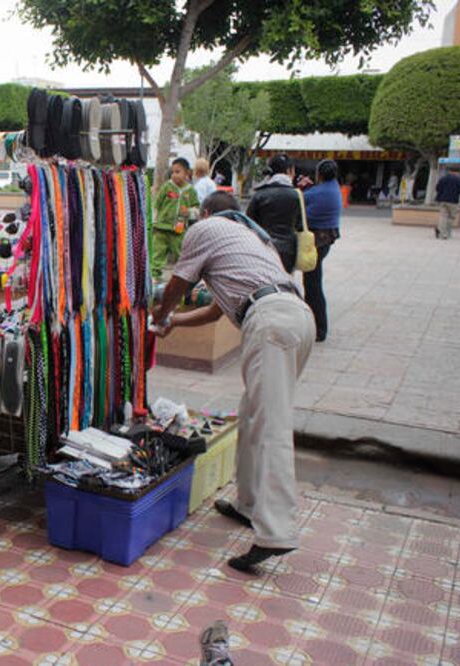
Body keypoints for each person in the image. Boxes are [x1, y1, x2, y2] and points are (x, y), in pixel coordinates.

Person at [150, 191, 314, 573]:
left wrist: (160, 315)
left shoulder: (205, 228)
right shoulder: (252, 238)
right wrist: (173, 324)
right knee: (253, 415)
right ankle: (247, 503)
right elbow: (214, 311)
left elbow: (178, 283)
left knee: (271, 424)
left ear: (206, 213)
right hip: (295, 317)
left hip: (271, 321)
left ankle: (276, 533)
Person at [302, 160, 342, 342]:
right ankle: (315, 324)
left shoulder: (318, 192)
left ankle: (319, 327)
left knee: (312, 285)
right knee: (312, 282)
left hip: (317, 240)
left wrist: (303, 189)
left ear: (320, 174)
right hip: (326, 239)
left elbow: (300, 208)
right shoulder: (333, 188)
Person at [246, 154, 301, 273]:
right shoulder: (296, 195)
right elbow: (300, 225)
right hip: (288, 250)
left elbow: (248, 223)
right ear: (289, 171)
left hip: (263, 247)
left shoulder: (259, 194)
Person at [151, 157, 200, 279]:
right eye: (172, 172)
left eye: (177, 172)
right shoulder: (167, 187)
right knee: (157, 254)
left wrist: (188, 212)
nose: (174, 175)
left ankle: (180, 278)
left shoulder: (191, 191)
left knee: (180, 255)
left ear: (187, 173)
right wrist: (154, 222)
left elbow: (197, 209)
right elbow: (156, 205)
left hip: (179, 229)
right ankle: (154, 276)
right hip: (161, 227)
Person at [435, 164, 460, 240]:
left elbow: (437, 188)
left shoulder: (443, 178)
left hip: (442, 200)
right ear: (456, 172)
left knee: (443, 216)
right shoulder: (458, 179)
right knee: (451, 217)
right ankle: (447, 232)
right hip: (453, 201)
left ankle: (441, 232)